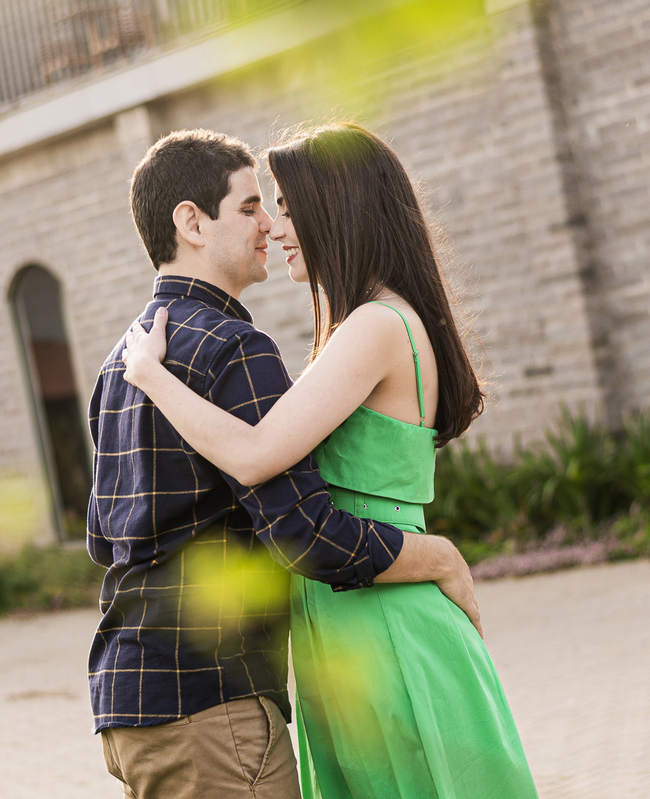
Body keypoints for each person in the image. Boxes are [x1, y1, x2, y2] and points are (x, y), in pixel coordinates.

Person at [122, 123, 538, 799]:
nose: (275, 227)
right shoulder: (359, 325)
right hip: (347, 619)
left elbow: (255, 455)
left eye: (287, 208)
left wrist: (150, 374)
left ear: (337, 208)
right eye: (264, 209)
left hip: (382, 617)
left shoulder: (376, 325)